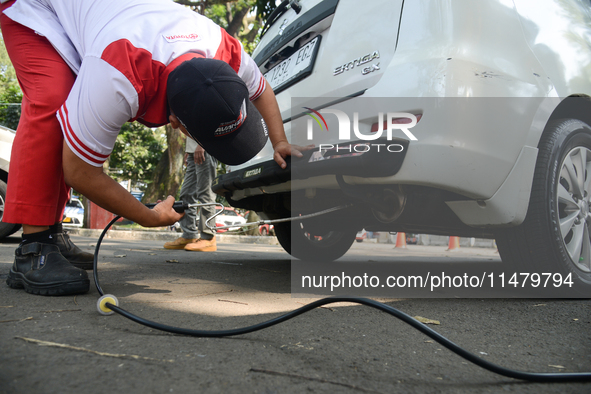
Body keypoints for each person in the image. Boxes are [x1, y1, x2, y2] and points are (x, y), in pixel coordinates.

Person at [0, 0, 305, 296]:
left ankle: (53, 234)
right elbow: (79, 171)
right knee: (54, 101)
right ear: (175, 122)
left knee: (68, 104)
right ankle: (35, 247)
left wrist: (280, 142)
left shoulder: (226, 50)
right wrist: (147, 216)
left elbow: (262, 89)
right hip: (36, 7)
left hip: (97, 16)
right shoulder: (118, 74)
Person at [164, 137, 218, 252]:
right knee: (186, 194)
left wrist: (203, 144)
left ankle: (208, 237)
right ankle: (189, 235)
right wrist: (189, 150)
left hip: (206, 147)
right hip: (194, 149)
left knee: (205, 193)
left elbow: (212, 122)